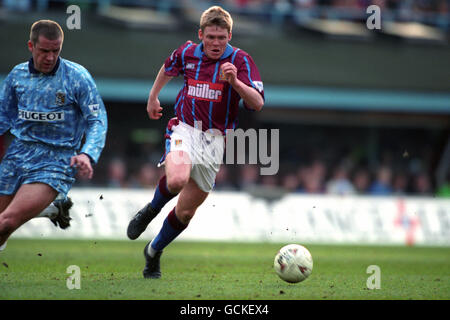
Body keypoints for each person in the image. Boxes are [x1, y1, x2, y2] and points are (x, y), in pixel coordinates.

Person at [126, 6, 264, 279]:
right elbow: (167, 68)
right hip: (185, 129)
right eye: (210, 37)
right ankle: (150, 210)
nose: (215, 43)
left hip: (215, 141)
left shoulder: (241, 60)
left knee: (186, 212)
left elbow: (257, 103)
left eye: (221, 38)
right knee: (176, 179)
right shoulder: (188, 52)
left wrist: (235, 82)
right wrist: (153, 97)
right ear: (200, 34)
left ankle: (153, 253)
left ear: (230, 36)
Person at [0, 20, 107, 251]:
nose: (50, 57)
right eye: (44, 51)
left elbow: (97, 120)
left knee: (5, 221)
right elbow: (3, 116)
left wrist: (88, 154)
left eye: (55, 51)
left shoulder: (77, 77)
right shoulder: (17, 75)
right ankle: (51, 209)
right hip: (17, 154)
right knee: (3, 227)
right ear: (31, 46)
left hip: (56, 160)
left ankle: (50, 204)